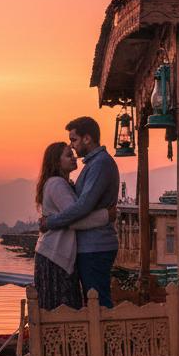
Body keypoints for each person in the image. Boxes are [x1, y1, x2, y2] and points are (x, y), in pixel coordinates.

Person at [39, 117, 120, 308]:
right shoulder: (91, 165)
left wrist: (50, 222)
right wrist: (105, 216)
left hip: (96, 246)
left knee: (97, 303)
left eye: (74, 140)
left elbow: (83, 206)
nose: (73, 146)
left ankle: (104, 338)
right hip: (90, 246)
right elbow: (79, 209)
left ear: (87, 138)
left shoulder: (100, 164)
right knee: (93, 302)